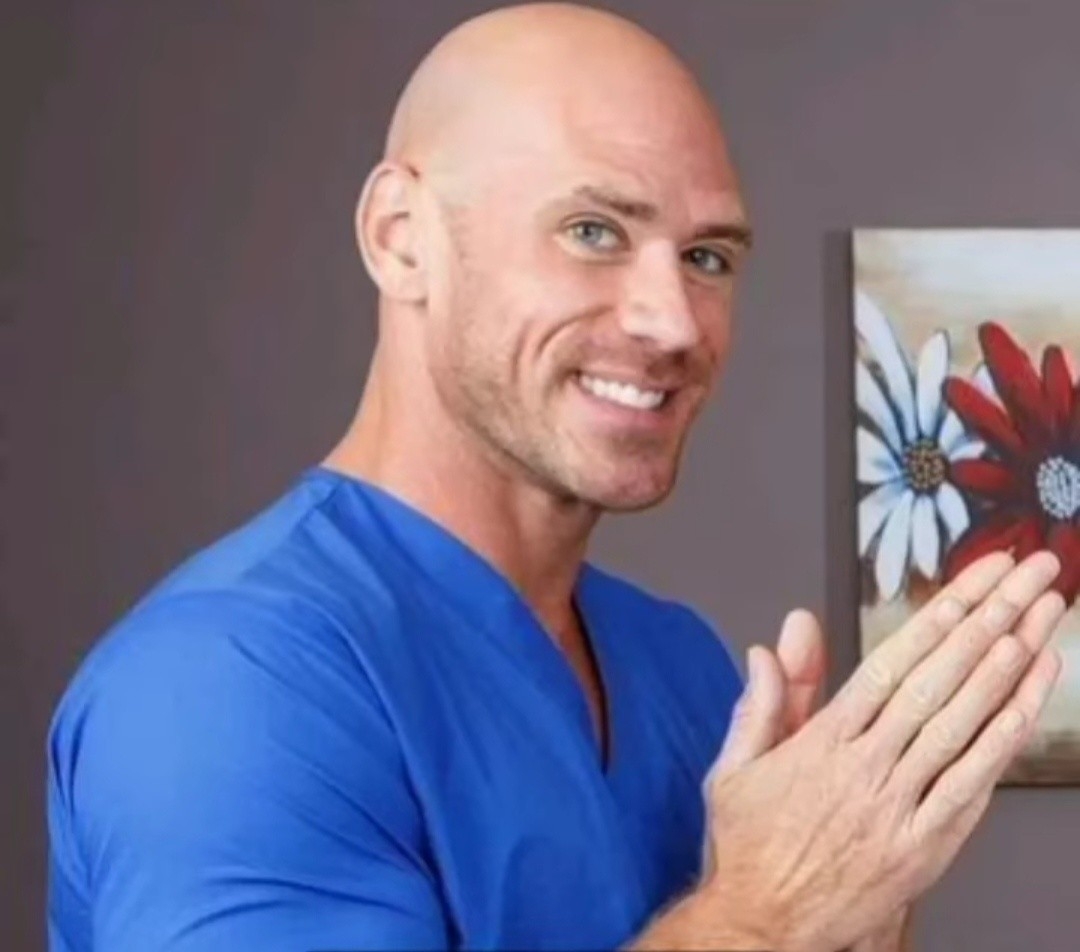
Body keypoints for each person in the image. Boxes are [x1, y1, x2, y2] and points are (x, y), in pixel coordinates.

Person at [47, 4, 1067, 951]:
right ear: (401, 239)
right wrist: (761, 916)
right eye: (593, 233)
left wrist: (853, 916)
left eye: (707, 257)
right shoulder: (224, 686)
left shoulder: (687, 669)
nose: (672, 322)